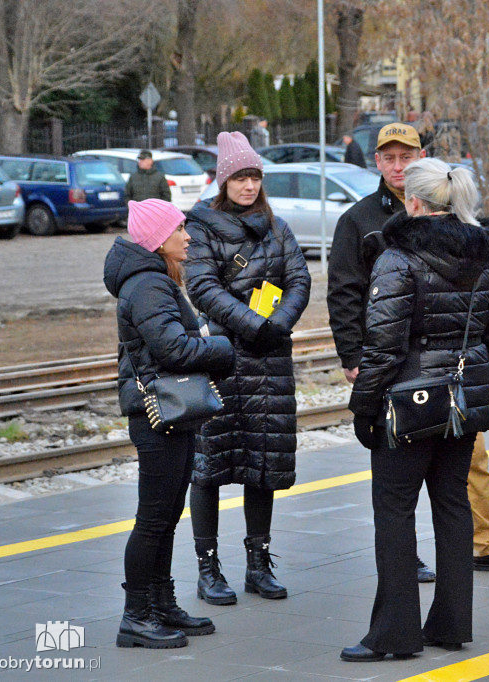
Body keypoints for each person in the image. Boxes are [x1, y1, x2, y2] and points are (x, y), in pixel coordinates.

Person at [327, 125, 489, 581]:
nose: (397, 165)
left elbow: (488, 324)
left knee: (458, 473)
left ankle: (483, 542)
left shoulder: (459, 222)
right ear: (377, 161)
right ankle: (415, 558)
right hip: (399, 371)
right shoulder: (358, 221)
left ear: (421, 159)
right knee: (408, 480)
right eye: (389, 157)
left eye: (406, 156)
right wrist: (354, 356)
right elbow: (345, 293)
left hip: (447, 376)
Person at [341, 157, 489, 662]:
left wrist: (362, 407)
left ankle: (393, 635)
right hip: (460, 402)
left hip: (407, 405)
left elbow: (384, 348)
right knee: (454, 507)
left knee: (394, 512)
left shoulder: (397, 259)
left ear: (413, 201)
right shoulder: (486, 257)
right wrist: (477, 389)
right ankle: (451, 624)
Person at [184, 131, 311, 606]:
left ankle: (258, 563)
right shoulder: (201, 227)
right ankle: (208, 567)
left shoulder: (278, 227)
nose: (249, 185)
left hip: (269, 360)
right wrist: (254, 325)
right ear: (224, 180)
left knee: (265, 463)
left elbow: (298, 278)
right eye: (240, 176)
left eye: (255, 176)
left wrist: (276, 323)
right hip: (220, 357)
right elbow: (202, 286)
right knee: (210, 465)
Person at [103, 199, 236, 648]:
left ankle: (161, 603)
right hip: (157, 416)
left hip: (171, 414)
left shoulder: (154, 281)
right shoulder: (147, 286)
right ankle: (136, 616)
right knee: (153, 520)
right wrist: (221, 347)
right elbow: (174, 351)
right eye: (180, 229)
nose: (189, 237)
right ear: (160, 239)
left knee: (165, 517)